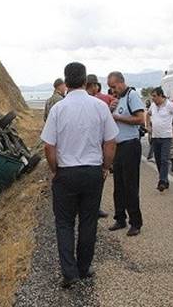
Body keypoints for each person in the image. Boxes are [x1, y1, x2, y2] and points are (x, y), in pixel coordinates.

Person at [41, 62, 118, 288]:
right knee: (88, 221)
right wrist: (105, 167)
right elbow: (111, 141)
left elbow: (49, 146)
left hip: (66, 173)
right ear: (85, 81)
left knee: (64, 223)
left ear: (66, 82)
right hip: (92, 172)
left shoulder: (58, 109)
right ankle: (84, 268)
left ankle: (69, 272)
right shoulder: (100, 107)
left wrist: (55, 170)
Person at [107, 71, 145, 236]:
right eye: (110, 88)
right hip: (119, 147)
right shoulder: (119, 100)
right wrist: (110, 111)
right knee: (118, 185)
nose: (113, 91)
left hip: (130, 145)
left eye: (114, 87)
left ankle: (135, 222)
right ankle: (120, 218)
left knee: (130, 185)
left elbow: (140, 119)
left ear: (121, 83)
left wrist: (118, 118)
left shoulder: (132, 96)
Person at [86, 74, 116, 218]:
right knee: (97, 185)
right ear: (94, 86)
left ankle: (85, 209)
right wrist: (106, 166)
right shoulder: (101, 103)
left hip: (72, 159)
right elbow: (110, 140)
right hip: (95, 153)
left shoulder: (65, 104)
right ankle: (94, 209)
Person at [146, 87, 173, 191]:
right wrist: (148, 126)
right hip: (155, 136)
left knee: (164, 159)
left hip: (166, 137)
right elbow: (148, 115)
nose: (153, 98)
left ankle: (162, 181)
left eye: (154, 96)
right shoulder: (153, 106)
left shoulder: (169, 105)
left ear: (160, 95)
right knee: (158, 160)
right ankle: (165, 179)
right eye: (152, 96)